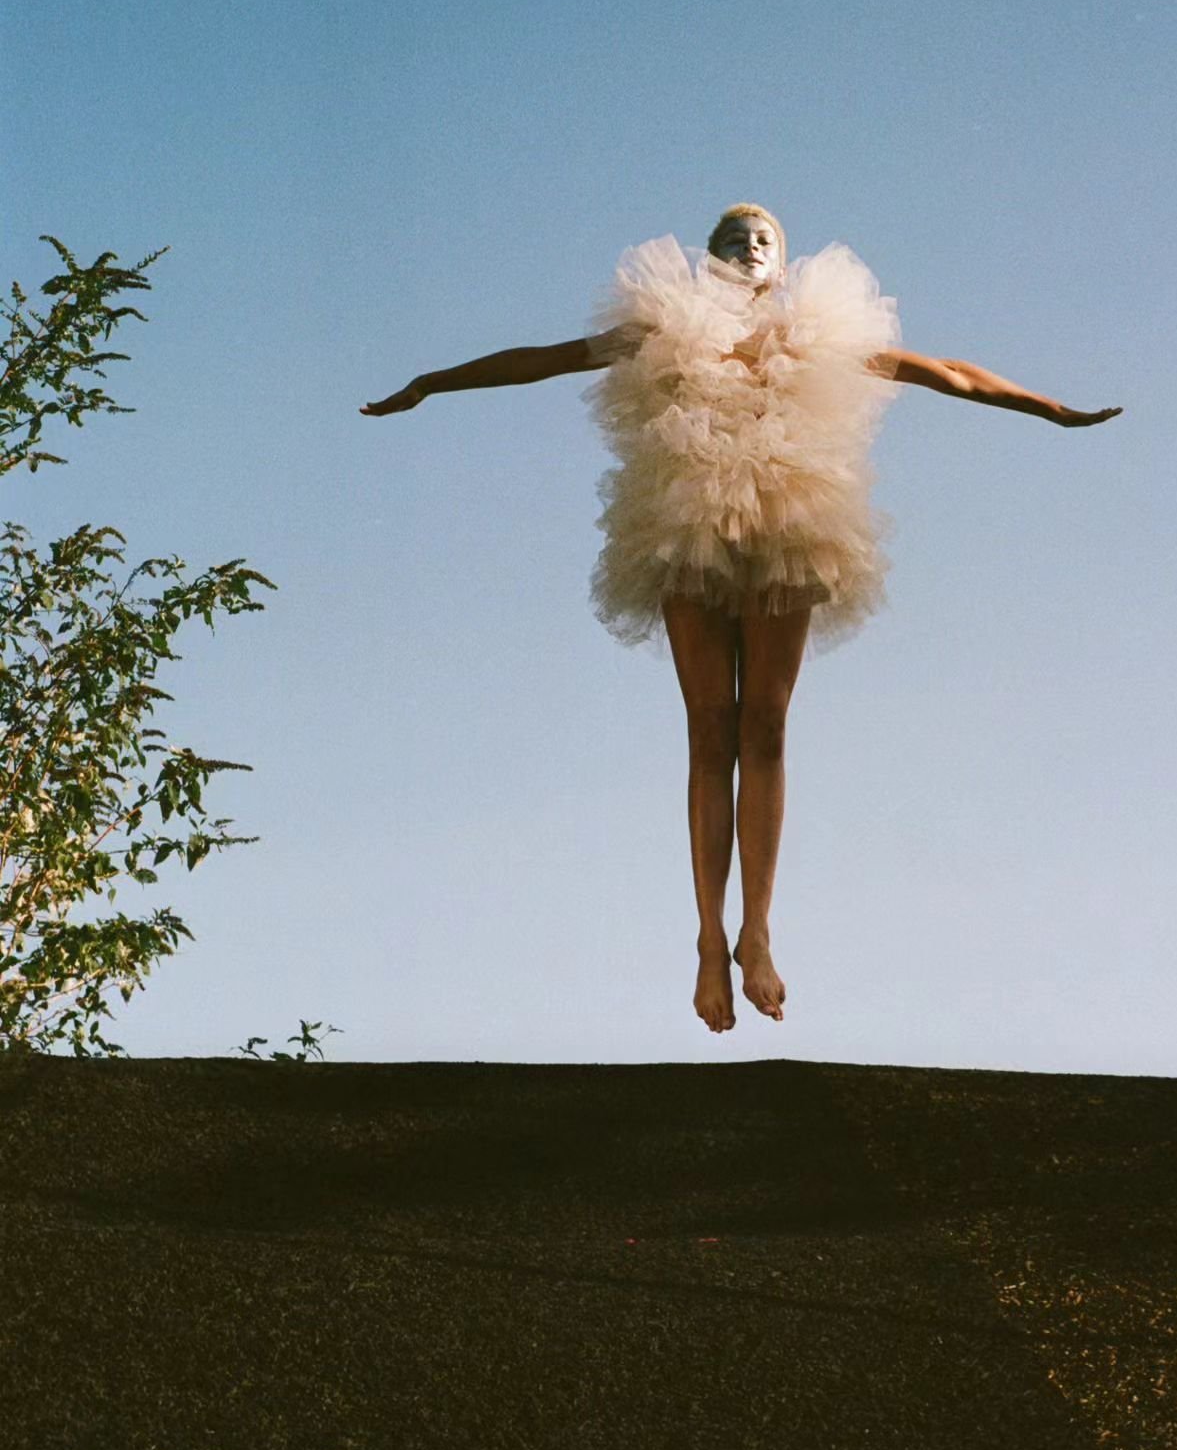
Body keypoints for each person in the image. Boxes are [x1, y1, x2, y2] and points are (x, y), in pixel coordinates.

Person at [361, 204, 1121, 1035]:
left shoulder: (817, 330)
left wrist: (1050, 408)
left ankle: (757, 931)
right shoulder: (664, 326)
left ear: (782, 265)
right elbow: (544, 359)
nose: (748, 247)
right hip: (687, 526)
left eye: (764, 240)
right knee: (708, 730)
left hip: (790, 523)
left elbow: (946, 371)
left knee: (765, 727)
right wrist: (434, 382)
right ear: (709, 257)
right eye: (732, 237)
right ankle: (707, 938)